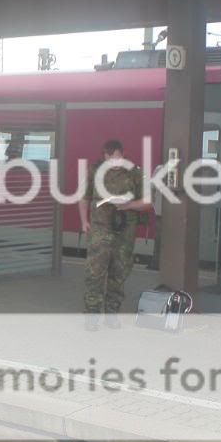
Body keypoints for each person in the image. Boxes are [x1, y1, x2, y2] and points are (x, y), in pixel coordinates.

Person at [78, 139, 150, 331]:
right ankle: (91, 317)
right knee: (95, 273)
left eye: (118, 158)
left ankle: (112, 315)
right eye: (110, 158)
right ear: (105, 156)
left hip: (125, 231)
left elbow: (147, 202)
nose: (115, 162)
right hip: (100, 229)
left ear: (123, 154)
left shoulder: (135, 172)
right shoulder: (95, 171)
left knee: (119, 274)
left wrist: (129, 205)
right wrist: (84, 221)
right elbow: (84, 198)